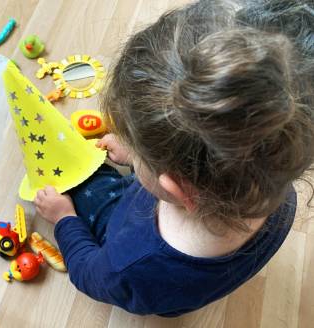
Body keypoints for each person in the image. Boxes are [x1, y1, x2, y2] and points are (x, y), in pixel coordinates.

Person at [33, 0, 314, 316]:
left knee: (87, 189)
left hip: (128, 239)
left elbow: (89, 274)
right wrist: (139, 154)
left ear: (178, 186)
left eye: (140, 152)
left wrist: (64, 220)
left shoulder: (132, 265)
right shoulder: (273, 180)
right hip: (180, 282)